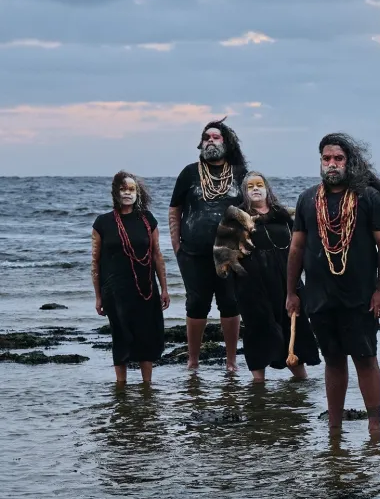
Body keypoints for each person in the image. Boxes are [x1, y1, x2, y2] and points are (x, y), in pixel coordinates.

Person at [287, 134, 380, 436]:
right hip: (320, 296)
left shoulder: (368, 198)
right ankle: (334, 427)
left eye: (338, 159)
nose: (332, 164)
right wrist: (291, 292)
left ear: (349, 162)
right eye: (326, 159)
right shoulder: (308, 199)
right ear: (320, 161)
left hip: (359, 296)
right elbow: (296, 248)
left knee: (365, 357)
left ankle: (374, 425)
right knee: (332, 360)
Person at [169, 118, 247, 372]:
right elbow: (175, 210)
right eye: (206, 138)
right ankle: (193, 361)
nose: (210, 141)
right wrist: (177, 247)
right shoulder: (189, 173)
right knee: (196, 304)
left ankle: (231, 362)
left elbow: (252, 213)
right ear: (201, 144)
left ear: (226, 142)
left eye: (216, 137)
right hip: (193, 253)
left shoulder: (240, 173)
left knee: (230, 303)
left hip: (229, 253)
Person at [235, 173, 320, 383]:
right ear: (244, 192)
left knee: (295, 326)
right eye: (250, 186)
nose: (255, 189)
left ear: (267, 188)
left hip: (286, 281)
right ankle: (258, 383)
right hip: (253, 284)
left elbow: (301, 246)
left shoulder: (283, 215)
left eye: (259, 185)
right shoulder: (236, 217)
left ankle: (301, 379)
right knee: (258, 328)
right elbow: (224, 254)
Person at [91, 172, 169, 384]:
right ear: (115, 192)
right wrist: (98, 296)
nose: (127, 193)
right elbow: (95, 262)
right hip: (115, 291)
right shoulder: (102, 222)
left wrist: (164, 288)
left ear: (137, 193)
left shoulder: (147, 220)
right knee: (120, 337)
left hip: (146, 289)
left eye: (131, 189)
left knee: (146, 337)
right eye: (123, 189)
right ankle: (121, 386)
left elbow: (157, 254)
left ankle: (147, 386)